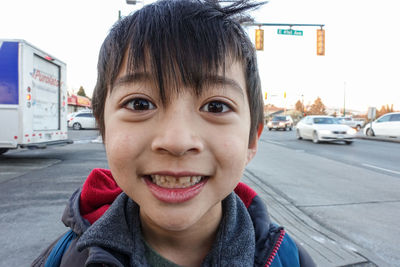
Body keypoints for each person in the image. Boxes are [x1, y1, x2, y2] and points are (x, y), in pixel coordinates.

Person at [33, 0, 315, 266]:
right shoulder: (66, 259)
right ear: (104, 130)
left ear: (252, 140)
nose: (177, 141)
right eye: (139, 104)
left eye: (216, 106)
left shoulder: (288, 259)